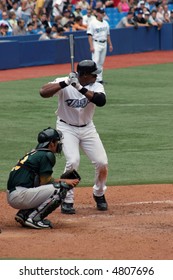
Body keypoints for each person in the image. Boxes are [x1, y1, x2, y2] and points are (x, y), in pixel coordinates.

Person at [39, 60, 108, 214]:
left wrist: (79, 87)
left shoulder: (96, 85)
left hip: (88, 128)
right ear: (83, 74)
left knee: (102, 162)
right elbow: (43, 92)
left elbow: (101, 101)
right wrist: (65, 83)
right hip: (66, 128)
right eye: (93, 74)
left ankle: (99, 193)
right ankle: (67, 199)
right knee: (73, 161)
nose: (96, 76)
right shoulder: (64, 81)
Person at [7, 127, 79, 229]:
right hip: (20, 196)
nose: (59, 144)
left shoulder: (35, 153)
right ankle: (33, 218)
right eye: (57, 142)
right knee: (60, 188)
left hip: (16, 194)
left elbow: (40, 182)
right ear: (51, 143)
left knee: (52, 187)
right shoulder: (47, 154)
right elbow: (45, 182)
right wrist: (64, 181)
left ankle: (24, 214)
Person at [87, 7, 113, 83]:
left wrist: (110, 44)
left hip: (104, 43)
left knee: (101, 62)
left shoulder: (106, 23)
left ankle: (99, 79)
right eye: (101, 13)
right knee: (95, 62)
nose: (103, 14)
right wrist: (91, 46)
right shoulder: (93, 22)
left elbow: (108, 35)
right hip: (96, 43)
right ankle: (92, 79)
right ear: (97, 13)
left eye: (103, 13)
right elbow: (90, 35)